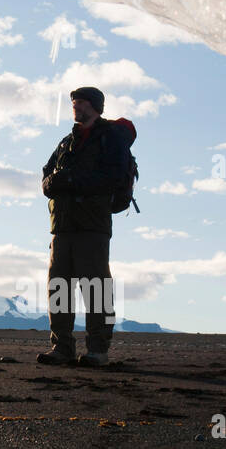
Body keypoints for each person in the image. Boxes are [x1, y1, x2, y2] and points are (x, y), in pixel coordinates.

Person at [37, 86, 134, 367]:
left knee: (95, 287)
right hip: (62, 226)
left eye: (80, 103)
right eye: (73, 103)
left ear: (95, 106)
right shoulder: (67, 142)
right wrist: (52, 183)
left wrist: (69, 181)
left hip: (93, 224)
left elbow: (113, 176)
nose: (75, 107)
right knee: (59, 287)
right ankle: (62, 347)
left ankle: (98, 350)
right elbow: (46, 174)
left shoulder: (111, 137)